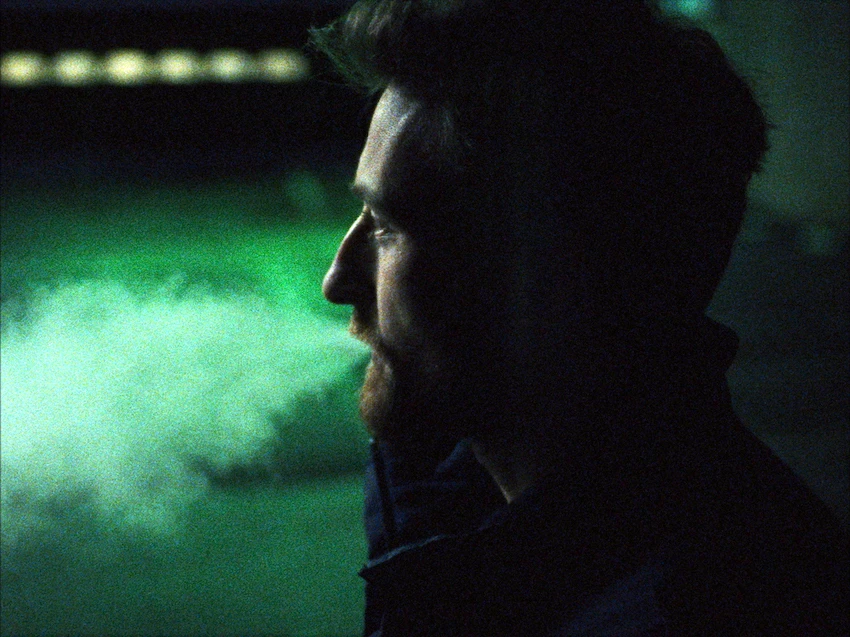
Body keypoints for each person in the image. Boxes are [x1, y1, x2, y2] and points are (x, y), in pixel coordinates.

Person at [313, 1, 848, 635]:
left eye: (387, 227)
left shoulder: (707, 608)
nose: (337, 281)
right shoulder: (457, 511)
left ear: (547, 273)